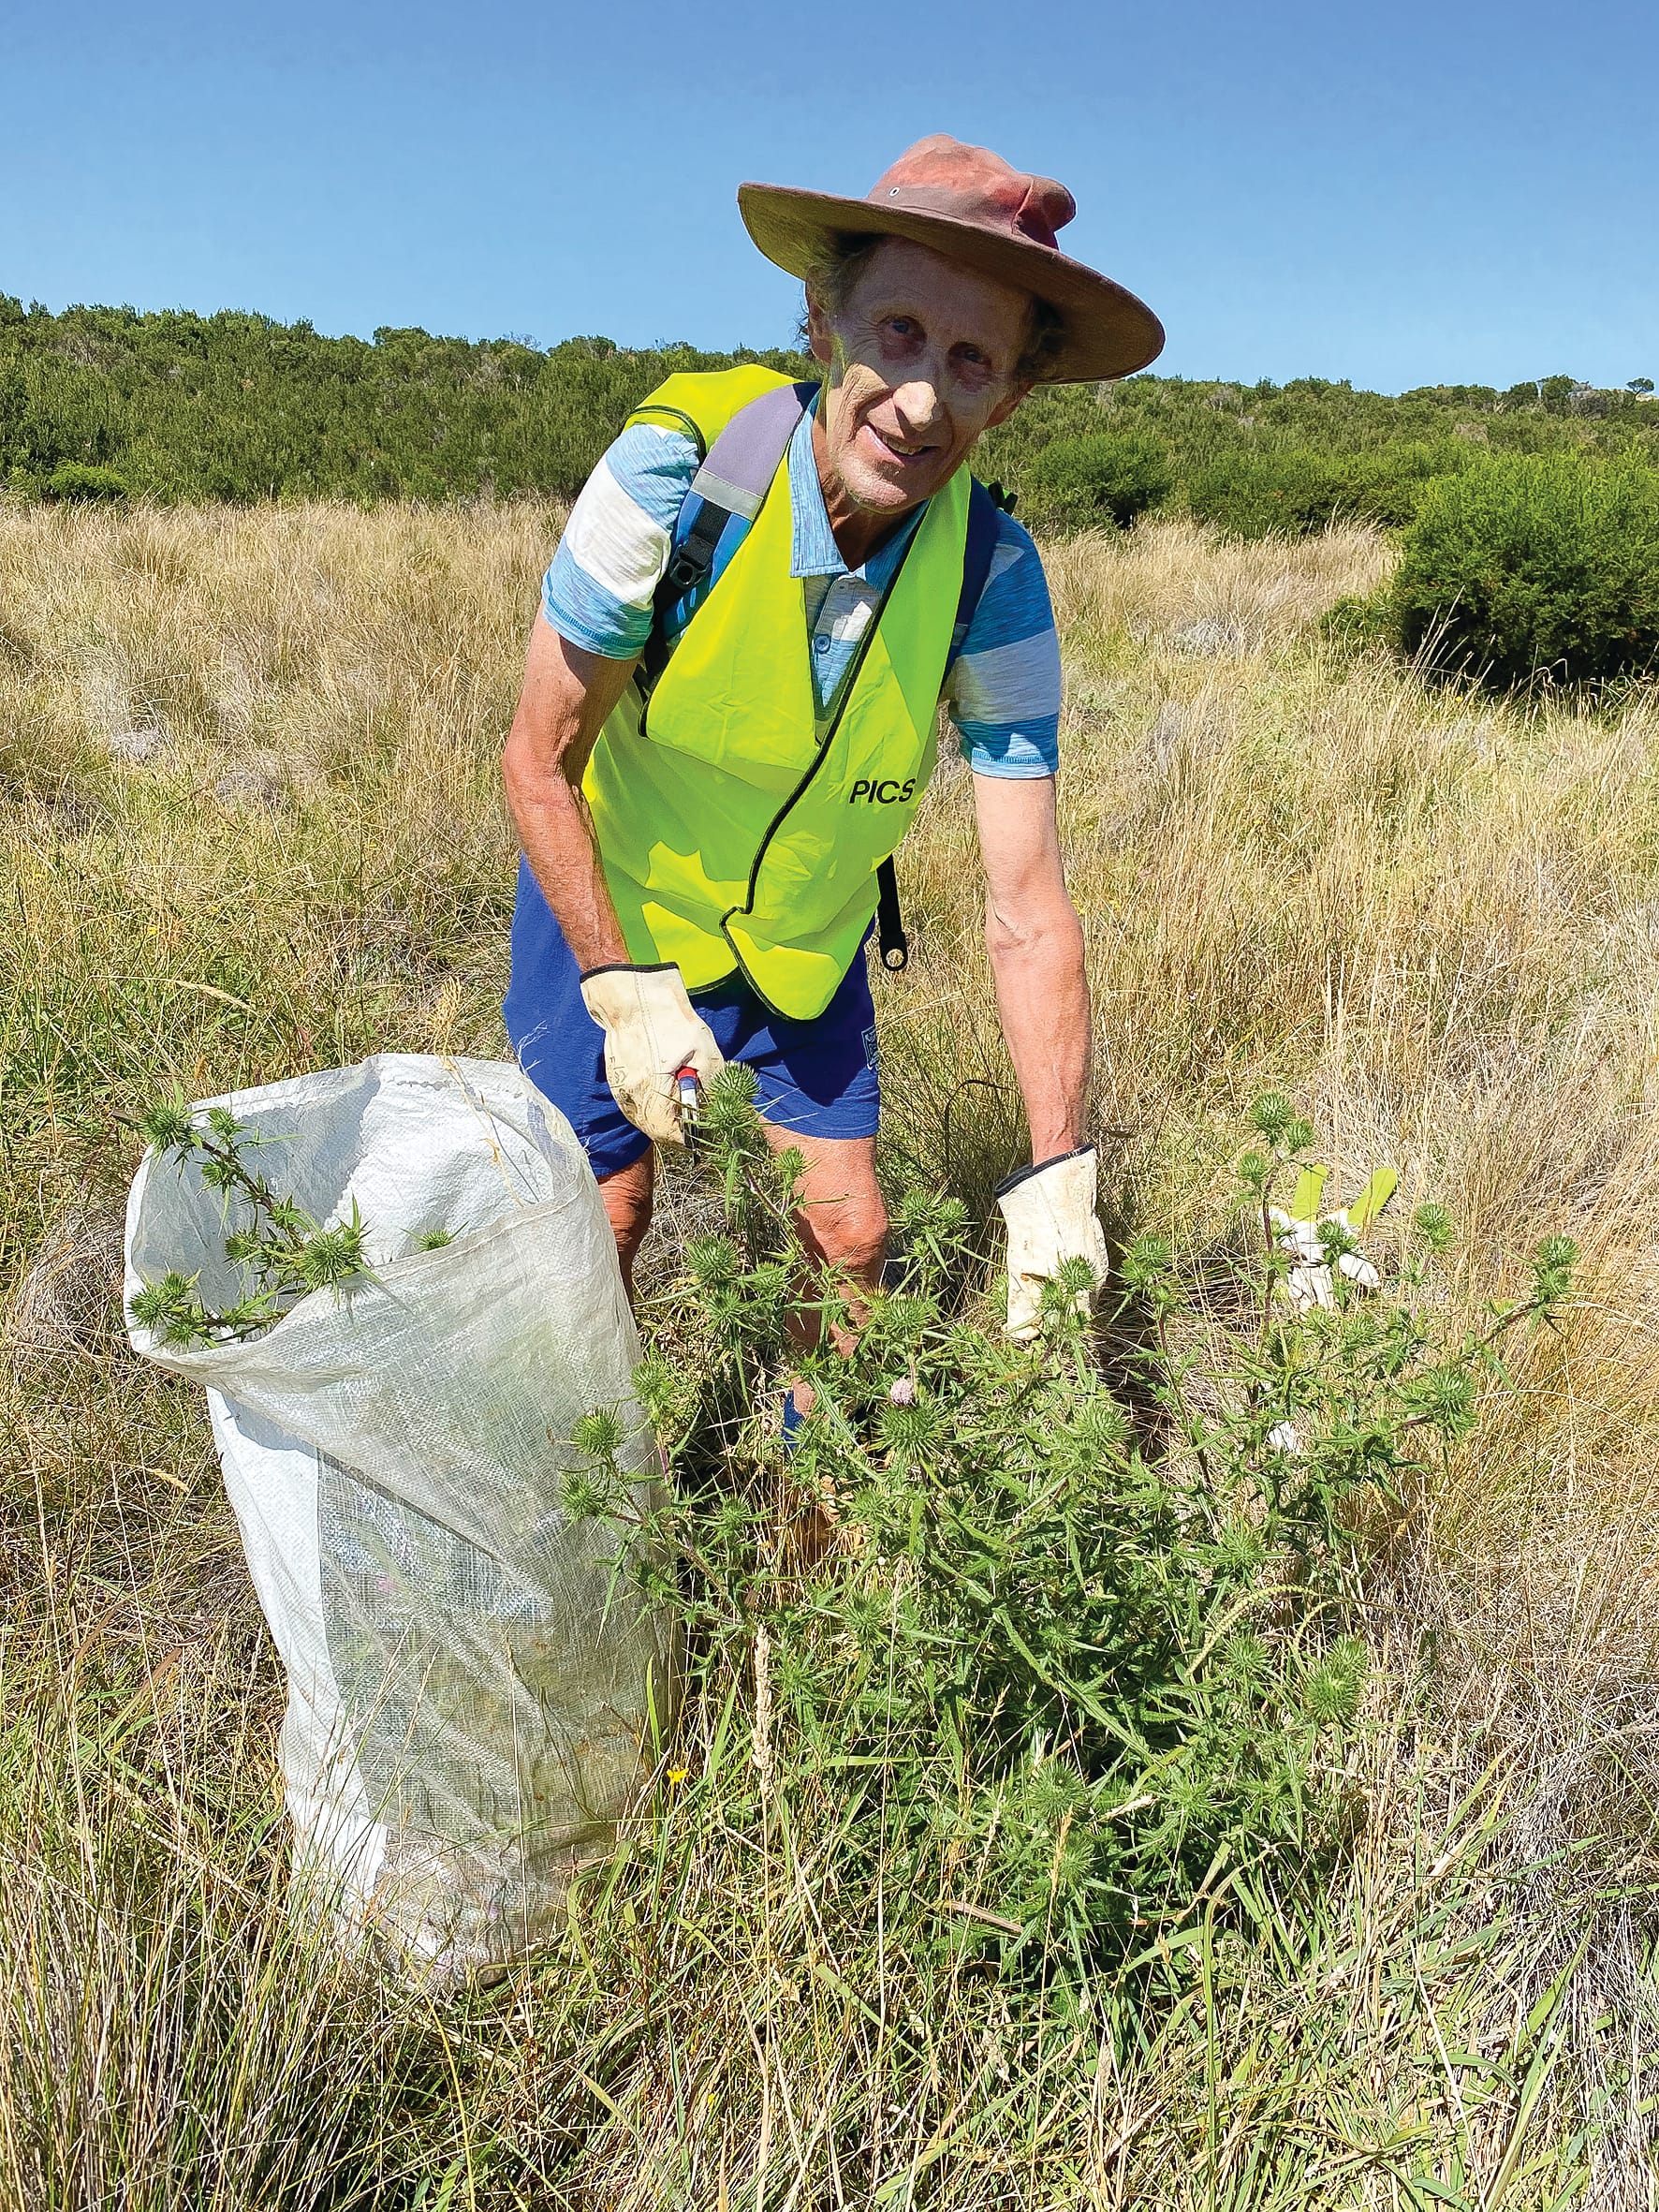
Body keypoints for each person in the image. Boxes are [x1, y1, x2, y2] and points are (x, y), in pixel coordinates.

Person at [501, 134, 1163, 1344]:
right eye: (900, 332)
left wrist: (1061, 1165)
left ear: (1009, 398)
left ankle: (812, 1523)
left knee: (852, 1239)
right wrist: (622, 993)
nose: (922, 400)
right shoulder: (680, 469)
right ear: (824, 322)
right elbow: (536, 759)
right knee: (608, 1211)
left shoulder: (994, 577)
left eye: (972, 362)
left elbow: (1026, 902)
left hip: (802, 948)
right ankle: (590, 1491)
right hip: (619, 900)